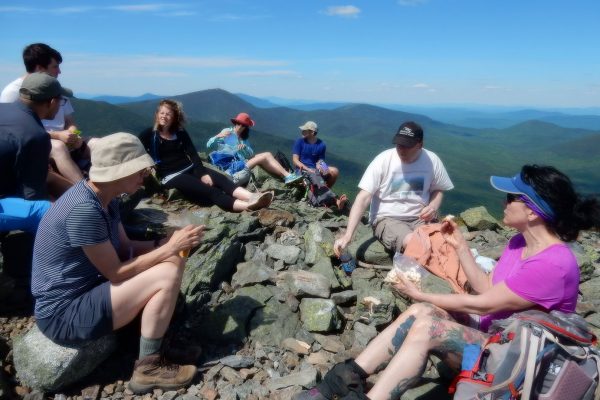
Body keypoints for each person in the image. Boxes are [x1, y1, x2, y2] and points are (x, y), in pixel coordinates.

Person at [296, 164, 600, 400]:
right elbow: (485, 287)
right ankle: (339, 382)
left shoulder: (553, 263)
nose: (504, 202)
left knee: (429, 324)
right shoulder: (519, 243)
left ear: (533, 211)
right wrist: (461, 247)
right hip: (498, 341)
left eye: (511, 198)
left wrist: (419, 293)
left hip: (516, 366)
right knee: (420, 314)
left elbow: (480, 303)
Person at [31, 132, 203, 394]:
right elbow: (116, 271)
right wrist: (170, 248)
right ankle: (148, 367)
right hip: (63, 314)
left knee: (170, 259)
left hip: (87, 291)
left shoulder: (103, 199)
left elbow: (124, 248)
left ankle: (153, 341)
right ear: (117, 172)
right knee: (166, 274)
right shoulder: (84, 210)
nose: (145, 175)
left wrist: (167, 245)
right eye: (139, 170)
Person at [334, 121, 454, 256]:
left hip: (421, 218)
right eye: (398, 144)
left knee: (444, 243)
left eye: (407, 146)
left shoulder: (432, 160)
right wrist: (348, 235)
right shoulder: (383, 160)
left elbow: (438, 189)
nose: (401, 149)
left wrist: (432, 206)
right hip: (387, 218)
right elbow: (363, 198)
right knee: (415, 244)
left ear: (420, 144)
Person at [139, 100, 273, 212]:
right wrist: (145, 167)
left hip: (190, 167)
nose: (164, 116)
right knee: (211, 191)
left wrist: (203, 173)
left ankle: (253, 196)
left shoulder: (179, 132)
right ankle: (249, 206)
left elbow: (192, 154)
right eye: (161, 113)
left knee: (222, 180)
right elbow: (136, 150)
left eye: (168, 114)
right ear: (157, 115)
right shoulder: (149, 134)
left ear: (174, 117)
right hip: (171, 176)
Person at [0, 43, 91, 185]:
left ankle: (116, 193)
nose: (59, 72)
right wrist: (59, 136)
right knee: (58, 148)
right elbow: (14, 131)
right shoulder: (12, 93)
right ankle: (89, 195)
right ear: (39, 68)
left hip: (65, 139)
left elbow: (69, 120)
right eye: (55, 67)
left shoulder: (53, 88)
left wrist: (74, 134)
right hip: (43, 142)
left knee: (101, 145)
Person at [0, 72, 71, 201]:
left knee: (48, 176)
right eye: (61, 100)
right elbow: (32, 198)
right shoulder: (36, 135)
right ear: (52, 102)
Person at [207, 112, 302, 185]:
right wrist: (218, 136)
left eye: (244, 125)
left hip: (241, 162)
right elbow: (209, 145)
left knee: (267, 155)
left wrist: (244, 148)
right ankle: (287, 175)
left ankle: (286, 175)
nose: (241, 126)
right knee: (265, 156)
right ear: (235, 123)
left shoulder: (244, 139)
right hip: (231, 165)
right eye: (239, 124)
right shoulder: (227, 132)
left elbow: (250, 154)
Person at [292, 121, 340, 188]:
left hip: (315, 169)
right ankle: (323, 190)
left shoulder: (322, 144)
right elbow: (295, 160)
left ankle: (327, 191)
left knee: (334, 171)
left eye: (305, 130)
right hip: (302, 170)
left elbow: (321, 160)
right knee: (314, 174)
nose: (302, 131)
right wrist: (308, 169)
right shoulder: (299, 142)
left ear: (312, 132)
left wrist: (322, 167)